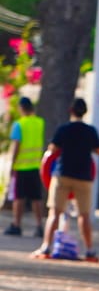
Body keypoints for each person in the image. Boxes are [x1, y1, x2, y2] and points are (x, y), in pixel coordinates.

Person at [31, 97, 99, 261]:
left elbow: (53, 149)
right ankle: (90, 250)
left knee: (55, 213)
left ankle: (46, 247)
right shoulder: (90, 131)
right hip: (84, 176)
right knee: (84, 215)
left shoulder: (63, 129)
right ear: (85, 112)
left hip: (62, 174)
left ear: (71, 110)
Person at [4, 96, 45, 237]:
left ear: (21, 108)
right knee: (36, 198)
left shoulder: (19, 125)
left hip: (21, 166)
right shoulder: (40, 123)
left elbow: (16, 146)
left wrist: (13, 165)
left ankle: (17, 224)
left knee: (19, 197)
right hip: (35, 166)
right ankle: (40, 226)